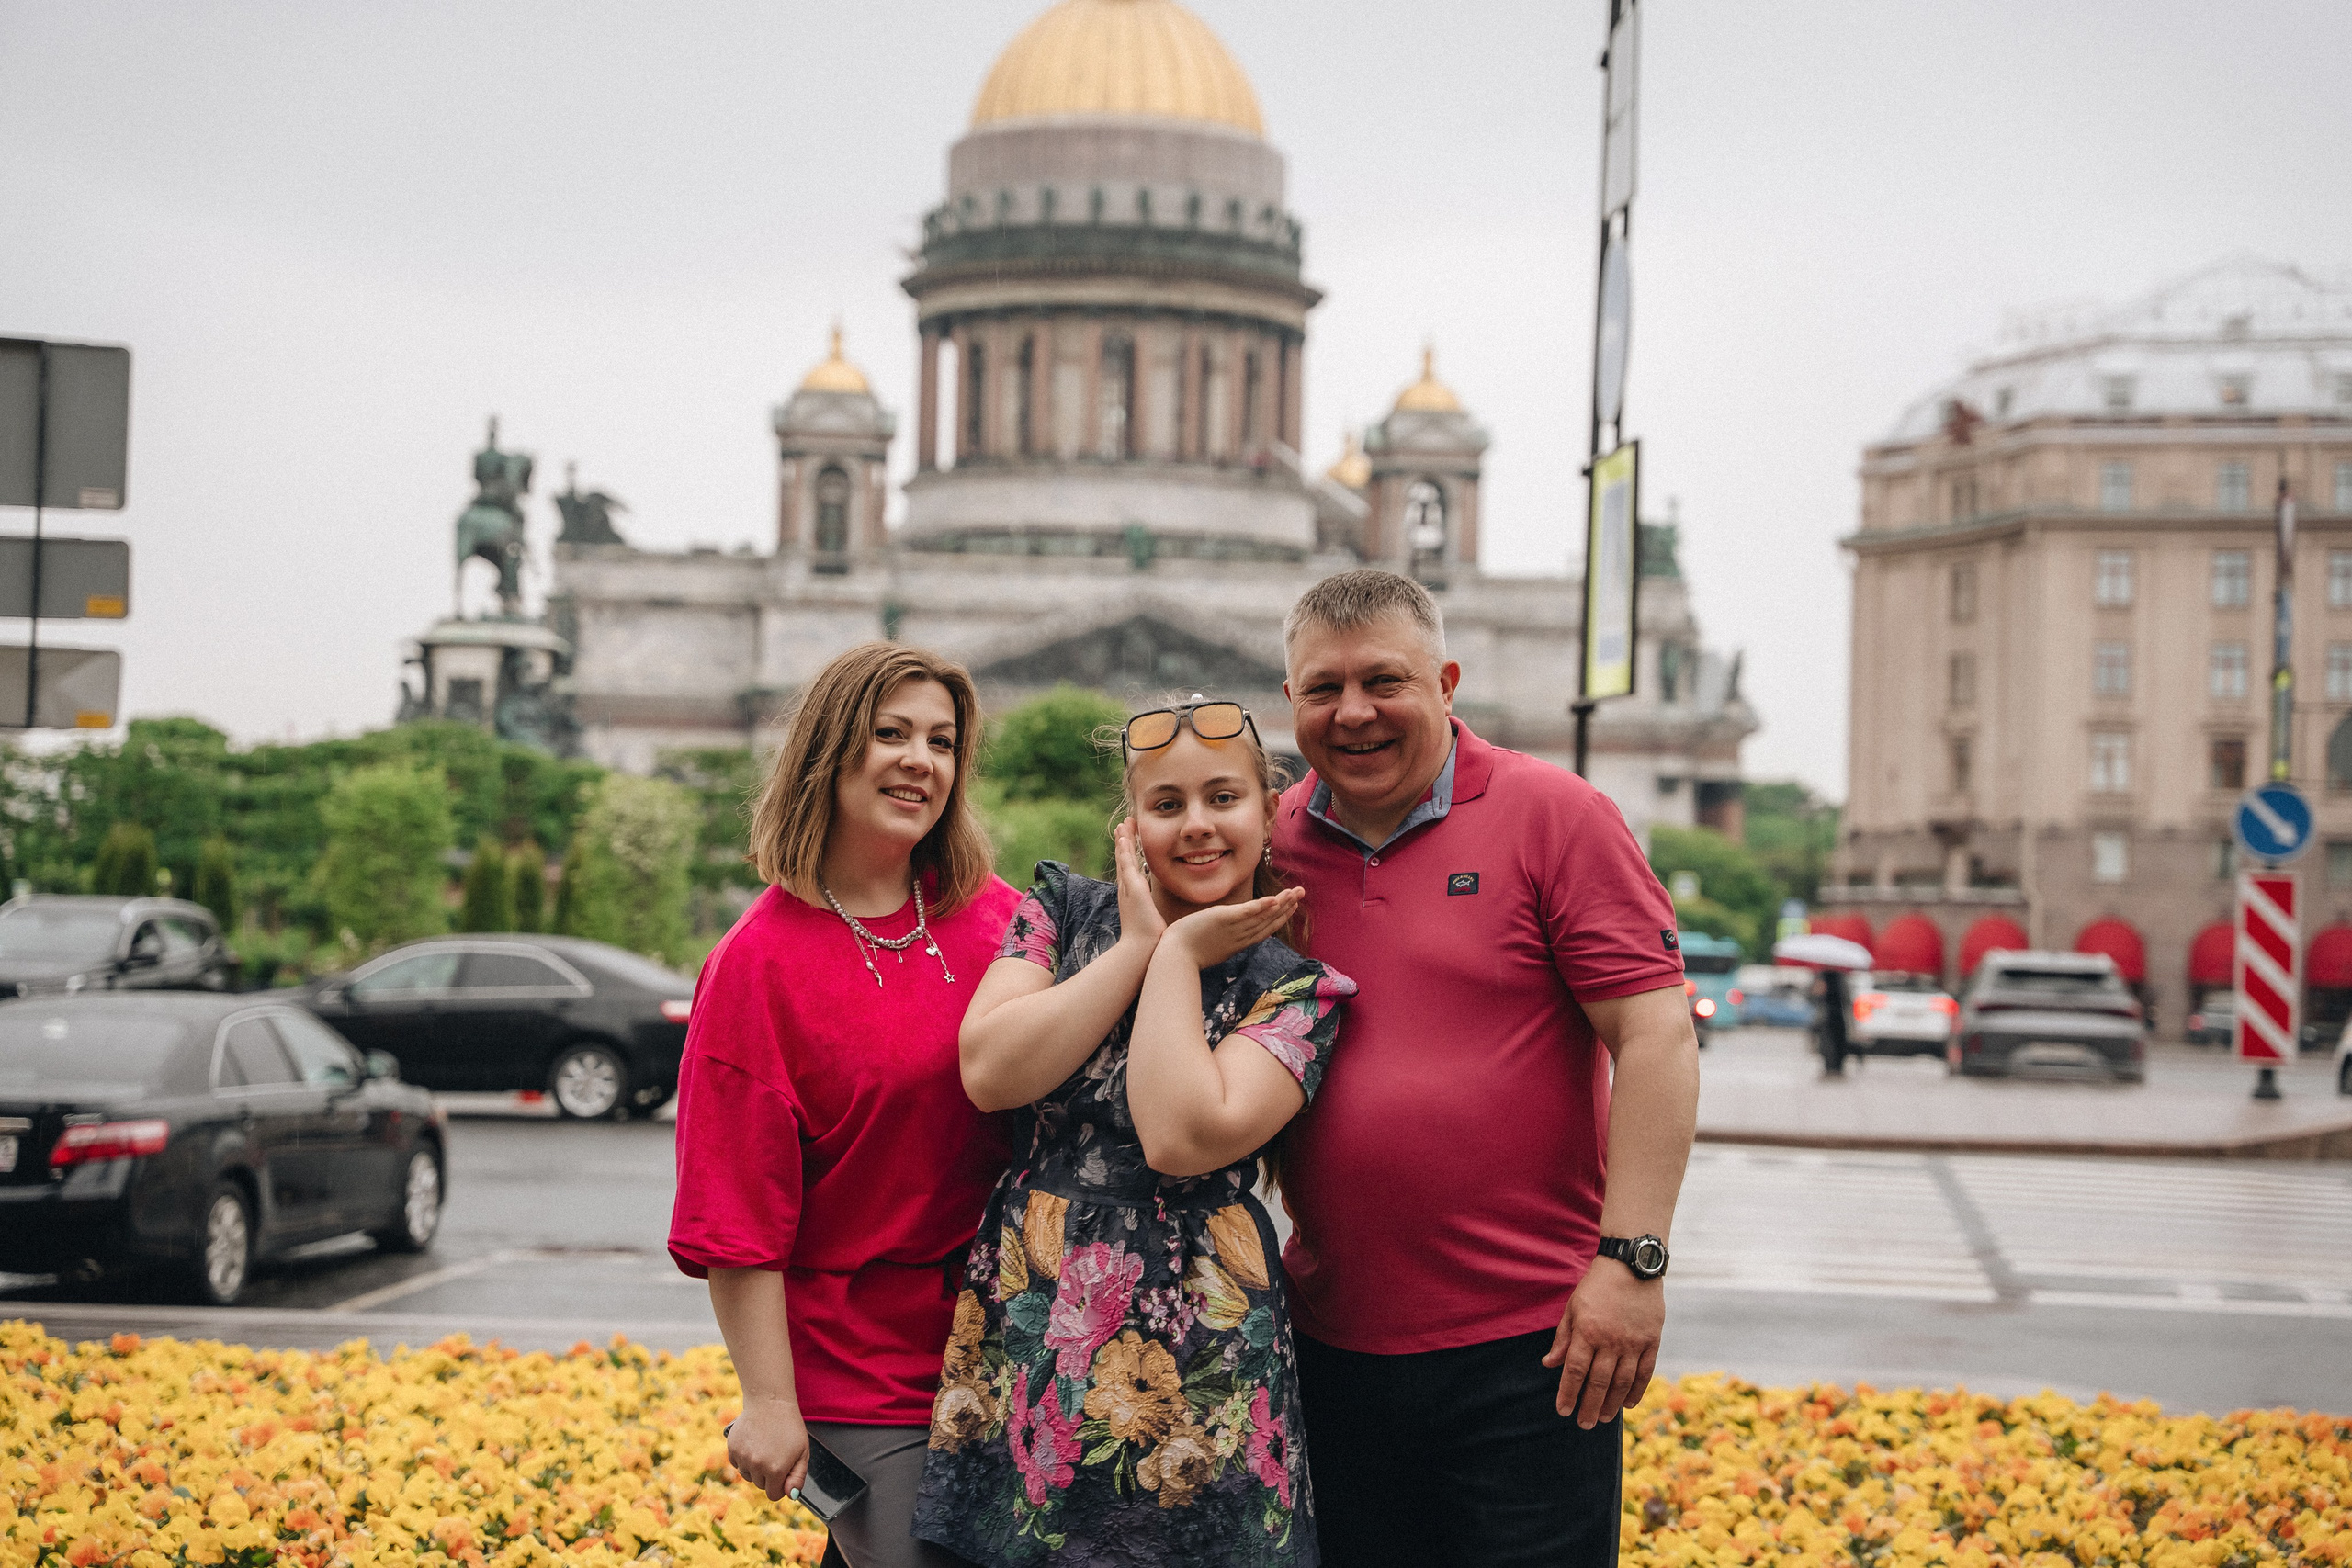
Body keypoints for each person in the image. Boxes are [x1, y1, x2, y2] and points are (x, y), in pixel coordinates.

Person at [1272, 570, 1701, 1568]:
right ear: (1291, 699)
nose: (1353, 712)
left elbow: (1655, 1036)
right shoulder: (1270, 842)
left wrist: (1632, 1263)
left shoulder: (1556, 814)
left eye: (1384, 681)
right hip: (1327, 1345)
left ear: (1446, 682)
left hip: (1535, 1351)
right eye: (1323, 688)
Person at [912, 696, 1355, 1568]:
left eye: (1223, 797)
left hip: (1199, 1330)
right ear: (1132, 823)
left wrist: (1179, 956)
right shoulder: (1061, 910)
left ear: (1270, 810)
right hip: (1036, 1301)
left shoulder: (1299, 989)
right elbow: (991, 1070)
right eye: (1166, 804)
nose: (1196, 825)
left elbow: (1179, 1137)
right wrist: (1134, 949)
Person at [667, 642, 1020, 1568]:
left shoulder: (1005, 921)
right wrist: (769, 1400)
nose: (921, 761)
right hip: (861, 1373)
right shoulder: (756, 965)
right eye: (891, 733)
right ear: (828, 749)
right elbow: (735, 1218)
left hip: (1013, 1351)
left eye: (942, 742)